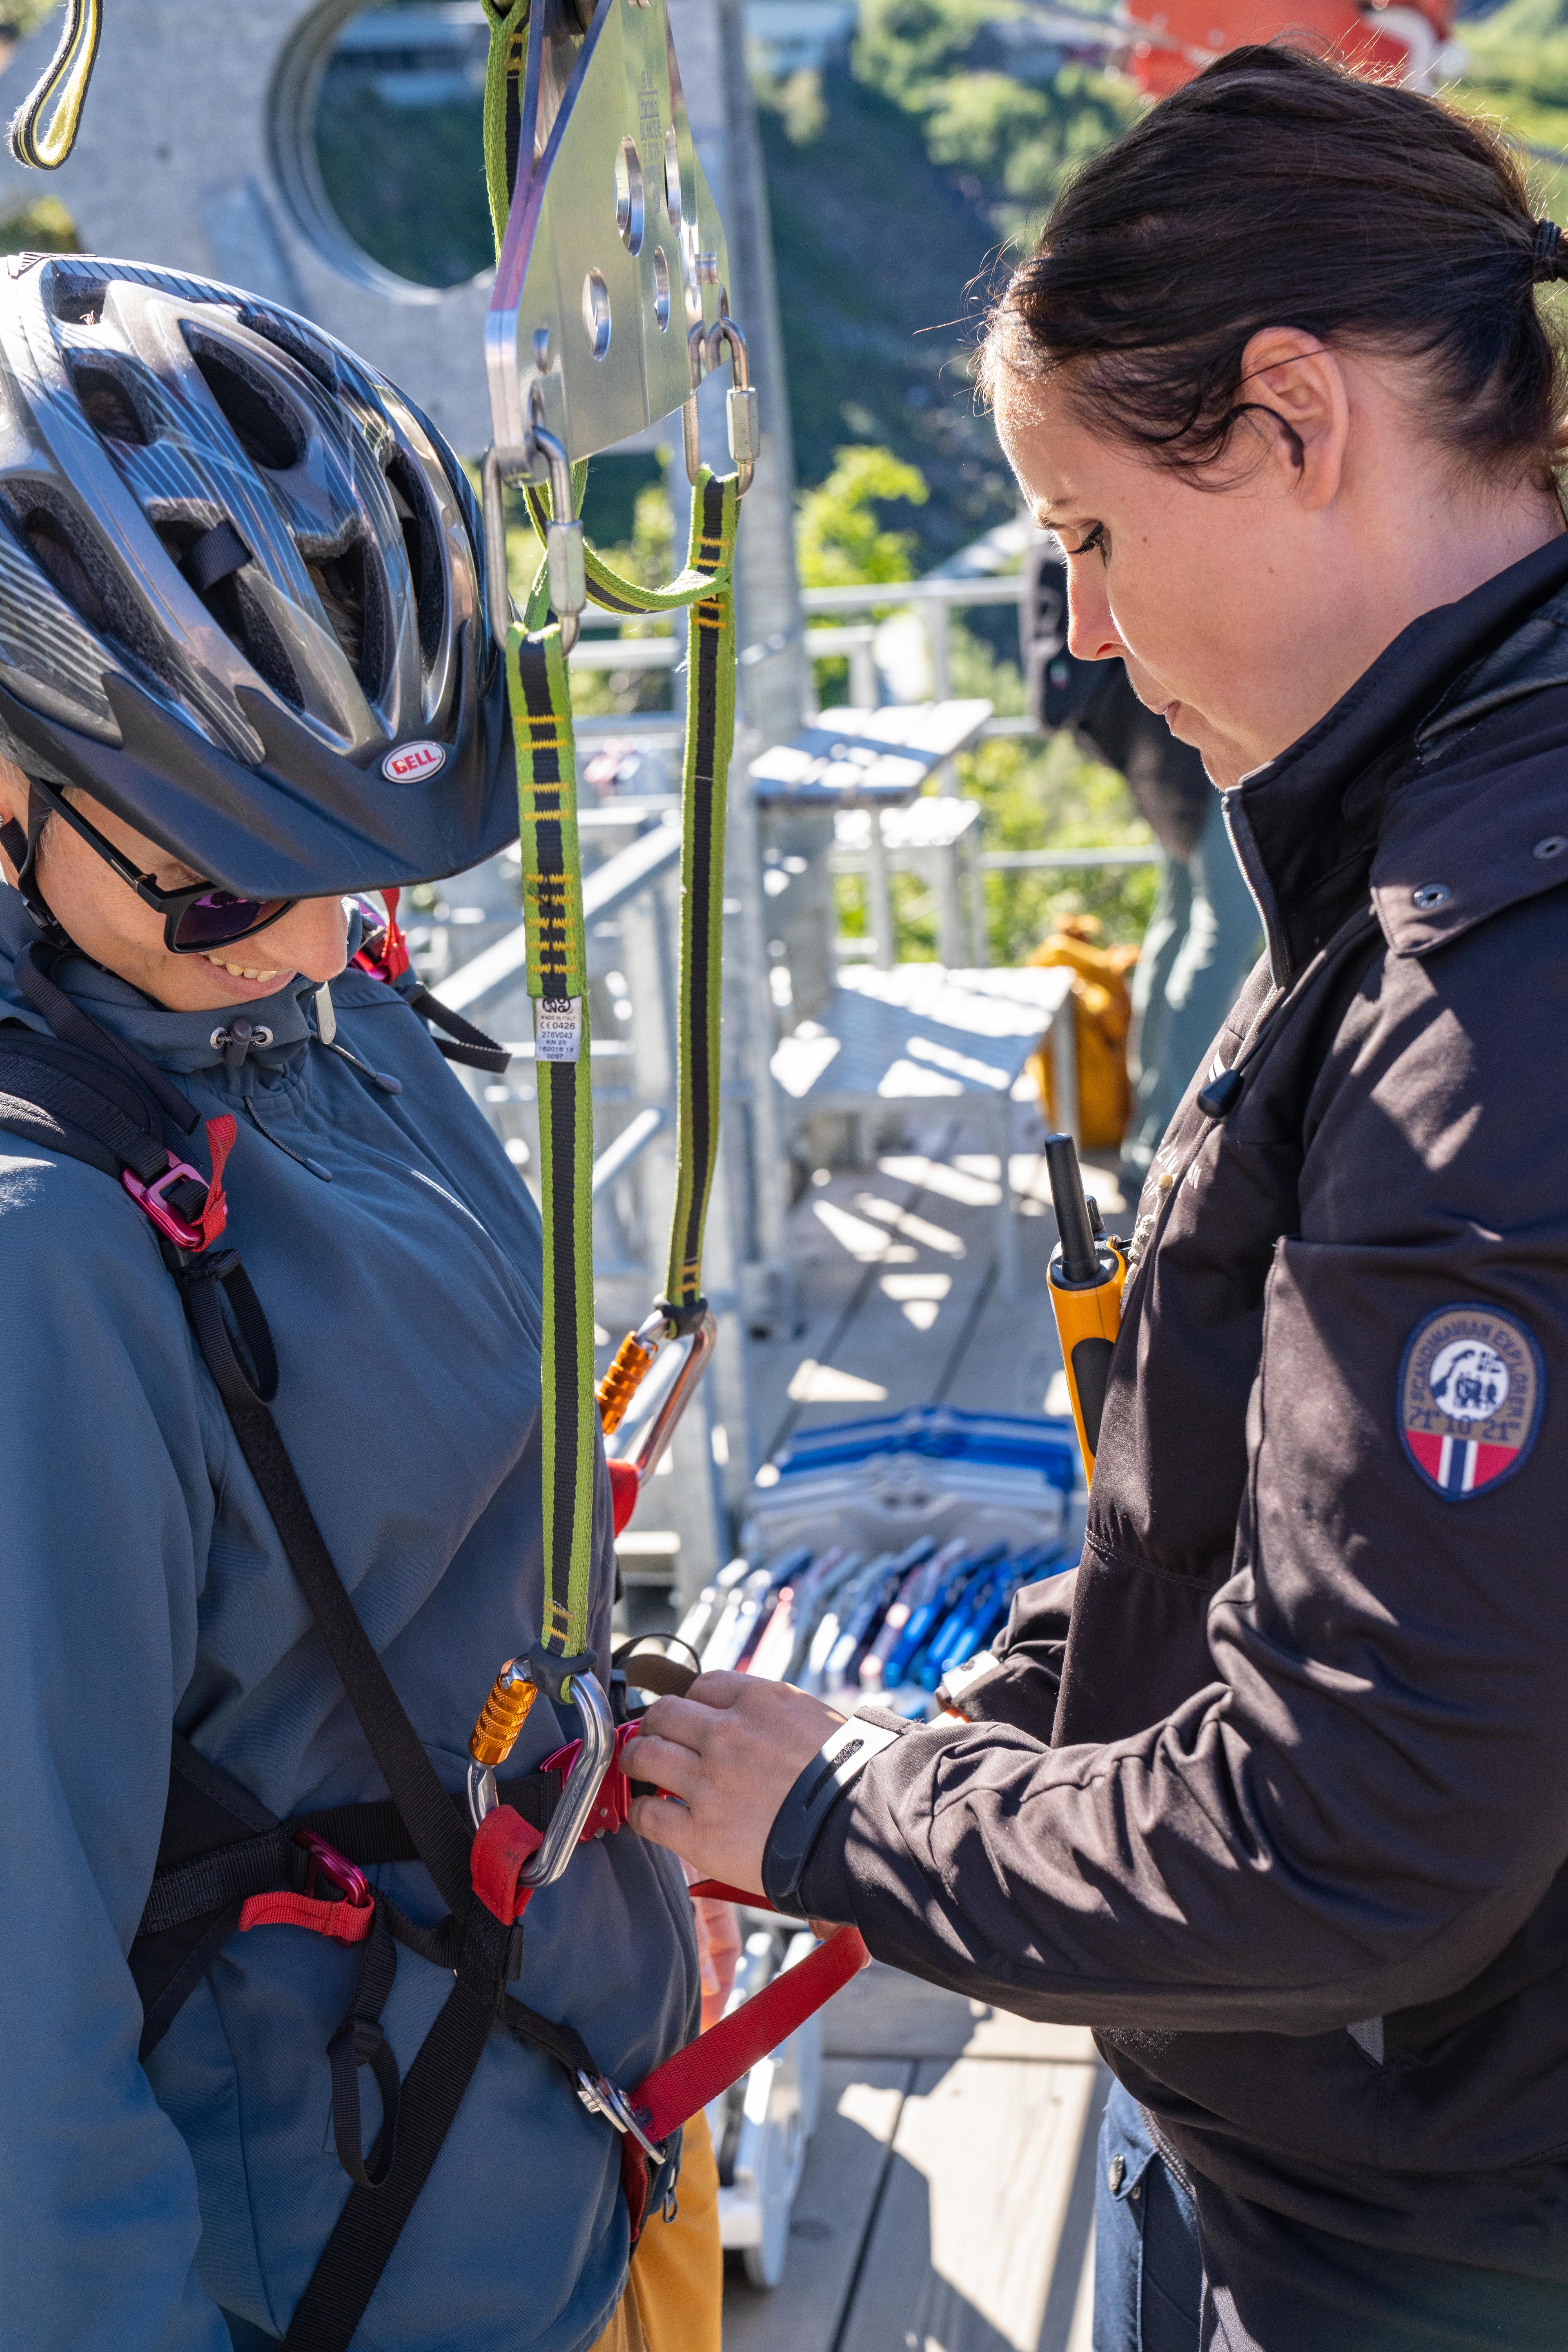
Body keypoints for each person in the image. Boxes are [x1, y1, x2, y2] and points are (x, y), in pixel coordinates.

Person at [625, 45, 1568, 2352]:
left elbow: (1357, 1831)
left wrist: (846, 1821)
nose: (1086, 631)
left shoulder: (1499, 996)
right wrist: (945, 1758)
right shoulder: (1435, 852)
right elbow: (1253, 1572)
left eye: (1090, 533)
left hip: (1430, 2245)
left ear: (1292, 417)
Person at [0, 252, 722, 2352]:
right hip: (375, 2264)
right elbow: (18, 2039)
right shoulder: (45, 1259)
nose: (322, 936)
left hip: (578, 2133)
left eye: (365, 867)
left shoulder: (297, 1010)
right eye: (235, 878)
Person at [1021, 540, 1261, 1171]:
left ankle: (1149, 1131)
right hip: (1193, 737)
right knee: (1227, 934)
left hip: (1155, 746)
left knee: (1182, 921)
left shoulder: (1072, 511)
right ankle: (1168, 1141)